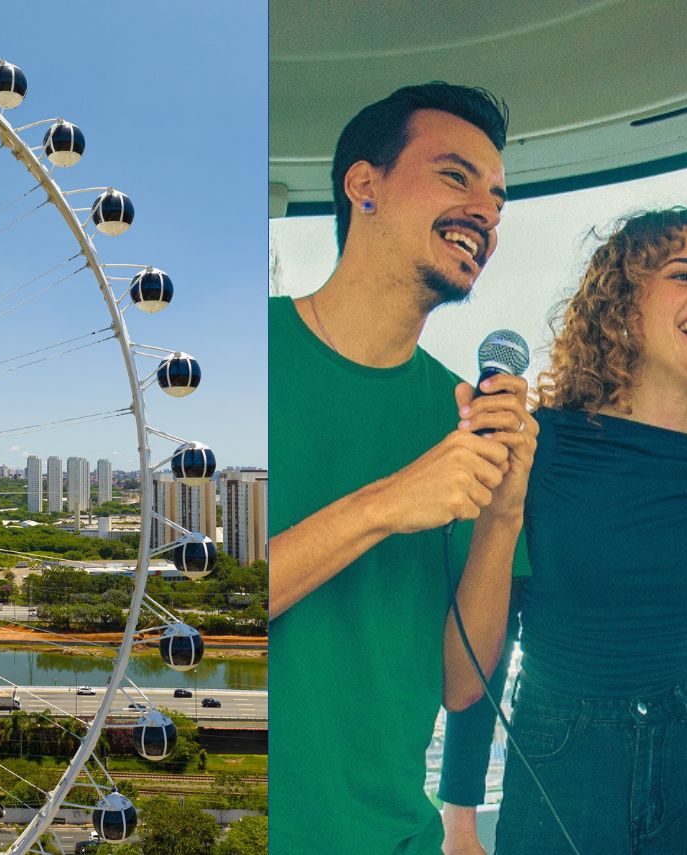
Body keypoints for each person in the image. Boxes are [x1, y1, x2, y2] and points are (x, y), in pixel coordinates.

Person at [440, 208, 687, 855]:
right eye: (683, 273)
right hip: (558, 759)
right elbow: (485, 643)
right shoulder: (539, 443)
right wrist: (459, 816)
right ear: (623, 308)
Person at [269, 82, 538, 855]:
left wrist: (503, 514)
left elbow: (461, 685)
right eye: (456, 176)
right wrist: (387, 504)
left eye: (497, 198)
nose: (485, 212)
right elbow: (180, 615)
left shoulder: (456, 412)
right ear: (365, 186)